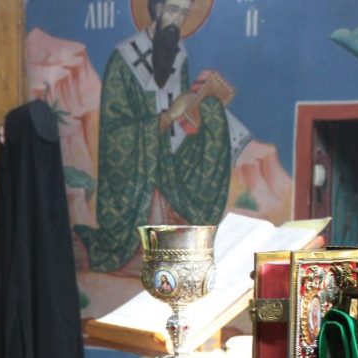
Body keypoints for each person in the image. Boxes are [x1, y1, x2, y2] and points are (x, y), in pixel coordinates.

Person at [74, 0, 245, 273]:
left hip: (171, 149)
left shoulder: (180, 56)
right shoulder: (124, 58)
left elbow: (180, 114)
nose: (177, 20)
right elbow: (115, 130)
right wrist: (166, 118)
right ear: (156, 8)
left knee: (215, 115)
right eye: (172, 10)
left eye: (184, 13)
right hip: (137, 160)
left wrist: (194, 109)